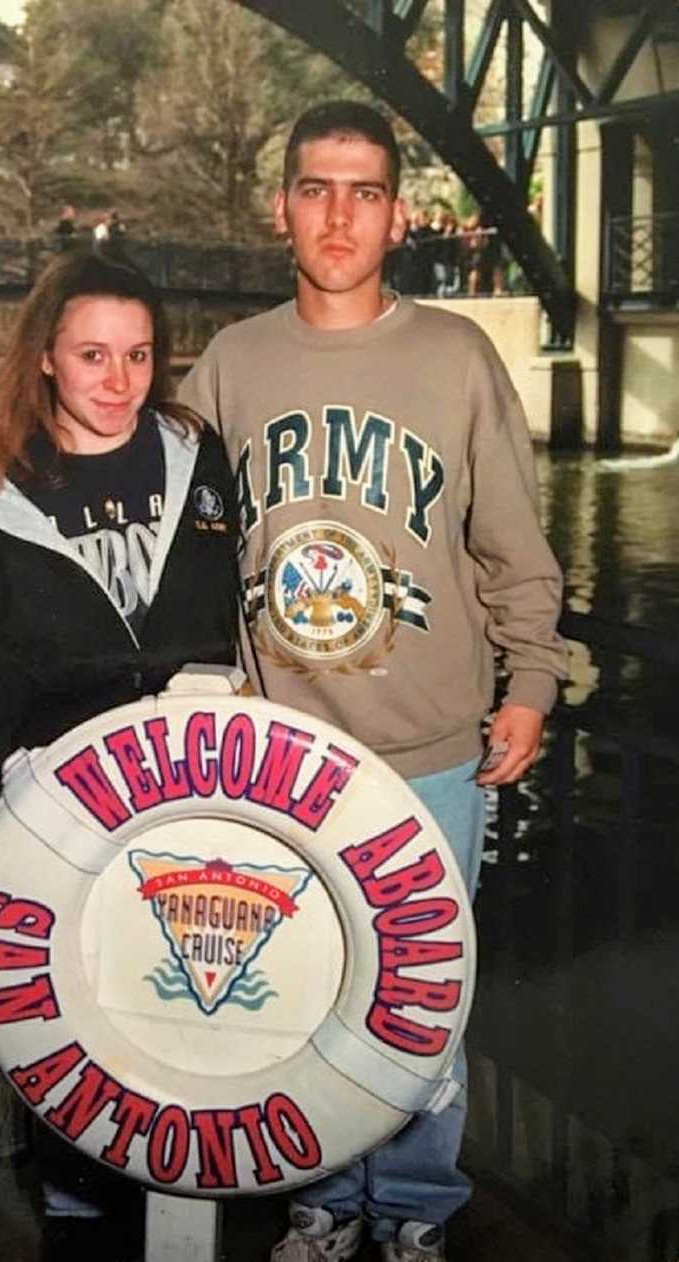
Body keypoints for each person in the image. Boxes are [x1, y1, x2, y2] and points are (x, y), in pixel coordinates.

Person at [179, 100, 568, 1262]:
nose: (337, 213)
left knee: (419, 1006)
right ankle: (317, 1197)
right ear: (280, 206)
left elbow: (514, 548)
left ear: (399, 214)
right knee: (302, 993)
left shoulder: (455, 356)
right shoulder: (232, 362)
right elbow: (173, 545)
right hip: (280, 758)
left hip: (434, 753)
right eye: (315, 187)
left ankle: (409, 1209)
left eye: (362, 191)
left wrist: (532, 683)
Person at [0, 251, 239, 1262]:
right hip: (59, 835)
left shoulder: (197, 456)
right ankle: (82, 1223)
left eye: (138, 354)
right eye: (92, 353)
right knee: (85, 1057)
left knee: (192, 1033)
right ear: (44, 356)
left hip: (192, 818)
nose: (118, 378)